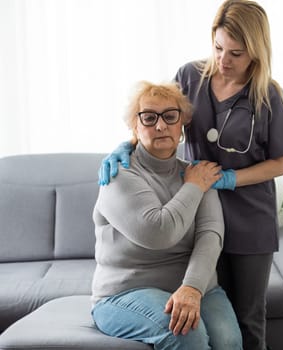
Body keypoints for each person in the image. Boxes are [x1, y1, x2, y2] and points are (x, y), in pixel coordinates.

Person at [98, 1, 283, 348]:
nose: (224, 61)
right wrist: (125, 146)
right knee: (207, 305)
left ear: (256, 50)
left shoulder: (268, 95)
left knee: (249, 319)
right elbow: (159, 116)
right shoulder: (190, 76)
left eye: (236, 53)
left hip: (249, 214)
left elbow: (281, 164)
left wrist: (230, 179)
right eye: (218, 48)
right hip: (195, 208)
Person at [91, 81, 242, 350]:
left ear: (181, 124)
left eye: (169, 116)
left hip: (196, 286)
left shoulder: (198, 172)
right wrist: (193, 186)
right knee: (187, 334)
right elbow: (159, 233)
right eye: (149, 118)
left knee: (228, 341)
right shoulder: (118, 174)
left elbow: (210, 235)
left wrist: (193, 288)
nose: (160, 126)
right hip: (126, 292)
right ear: (134, 127)